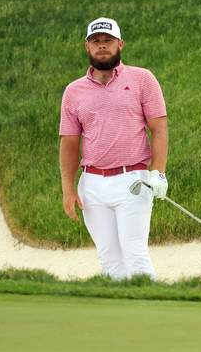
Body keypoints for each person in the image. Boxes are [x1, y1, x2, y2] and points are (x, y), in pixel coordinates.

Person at [59, 17, 168, 280]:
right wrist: (68, 189)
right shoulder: (74, 91)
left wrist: (159, 172)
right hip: (92, 185)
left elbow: (159, 129)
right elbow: (69, 143)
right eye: (96, 41)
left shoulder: (143, 79)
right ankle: (122, 319)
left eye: (108, 40)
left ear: (120, 44)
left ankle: (152, 315)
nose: (102, 46)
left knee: (135, 253)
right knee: (109, 257)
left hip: (133, 180)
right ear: (87, 47)